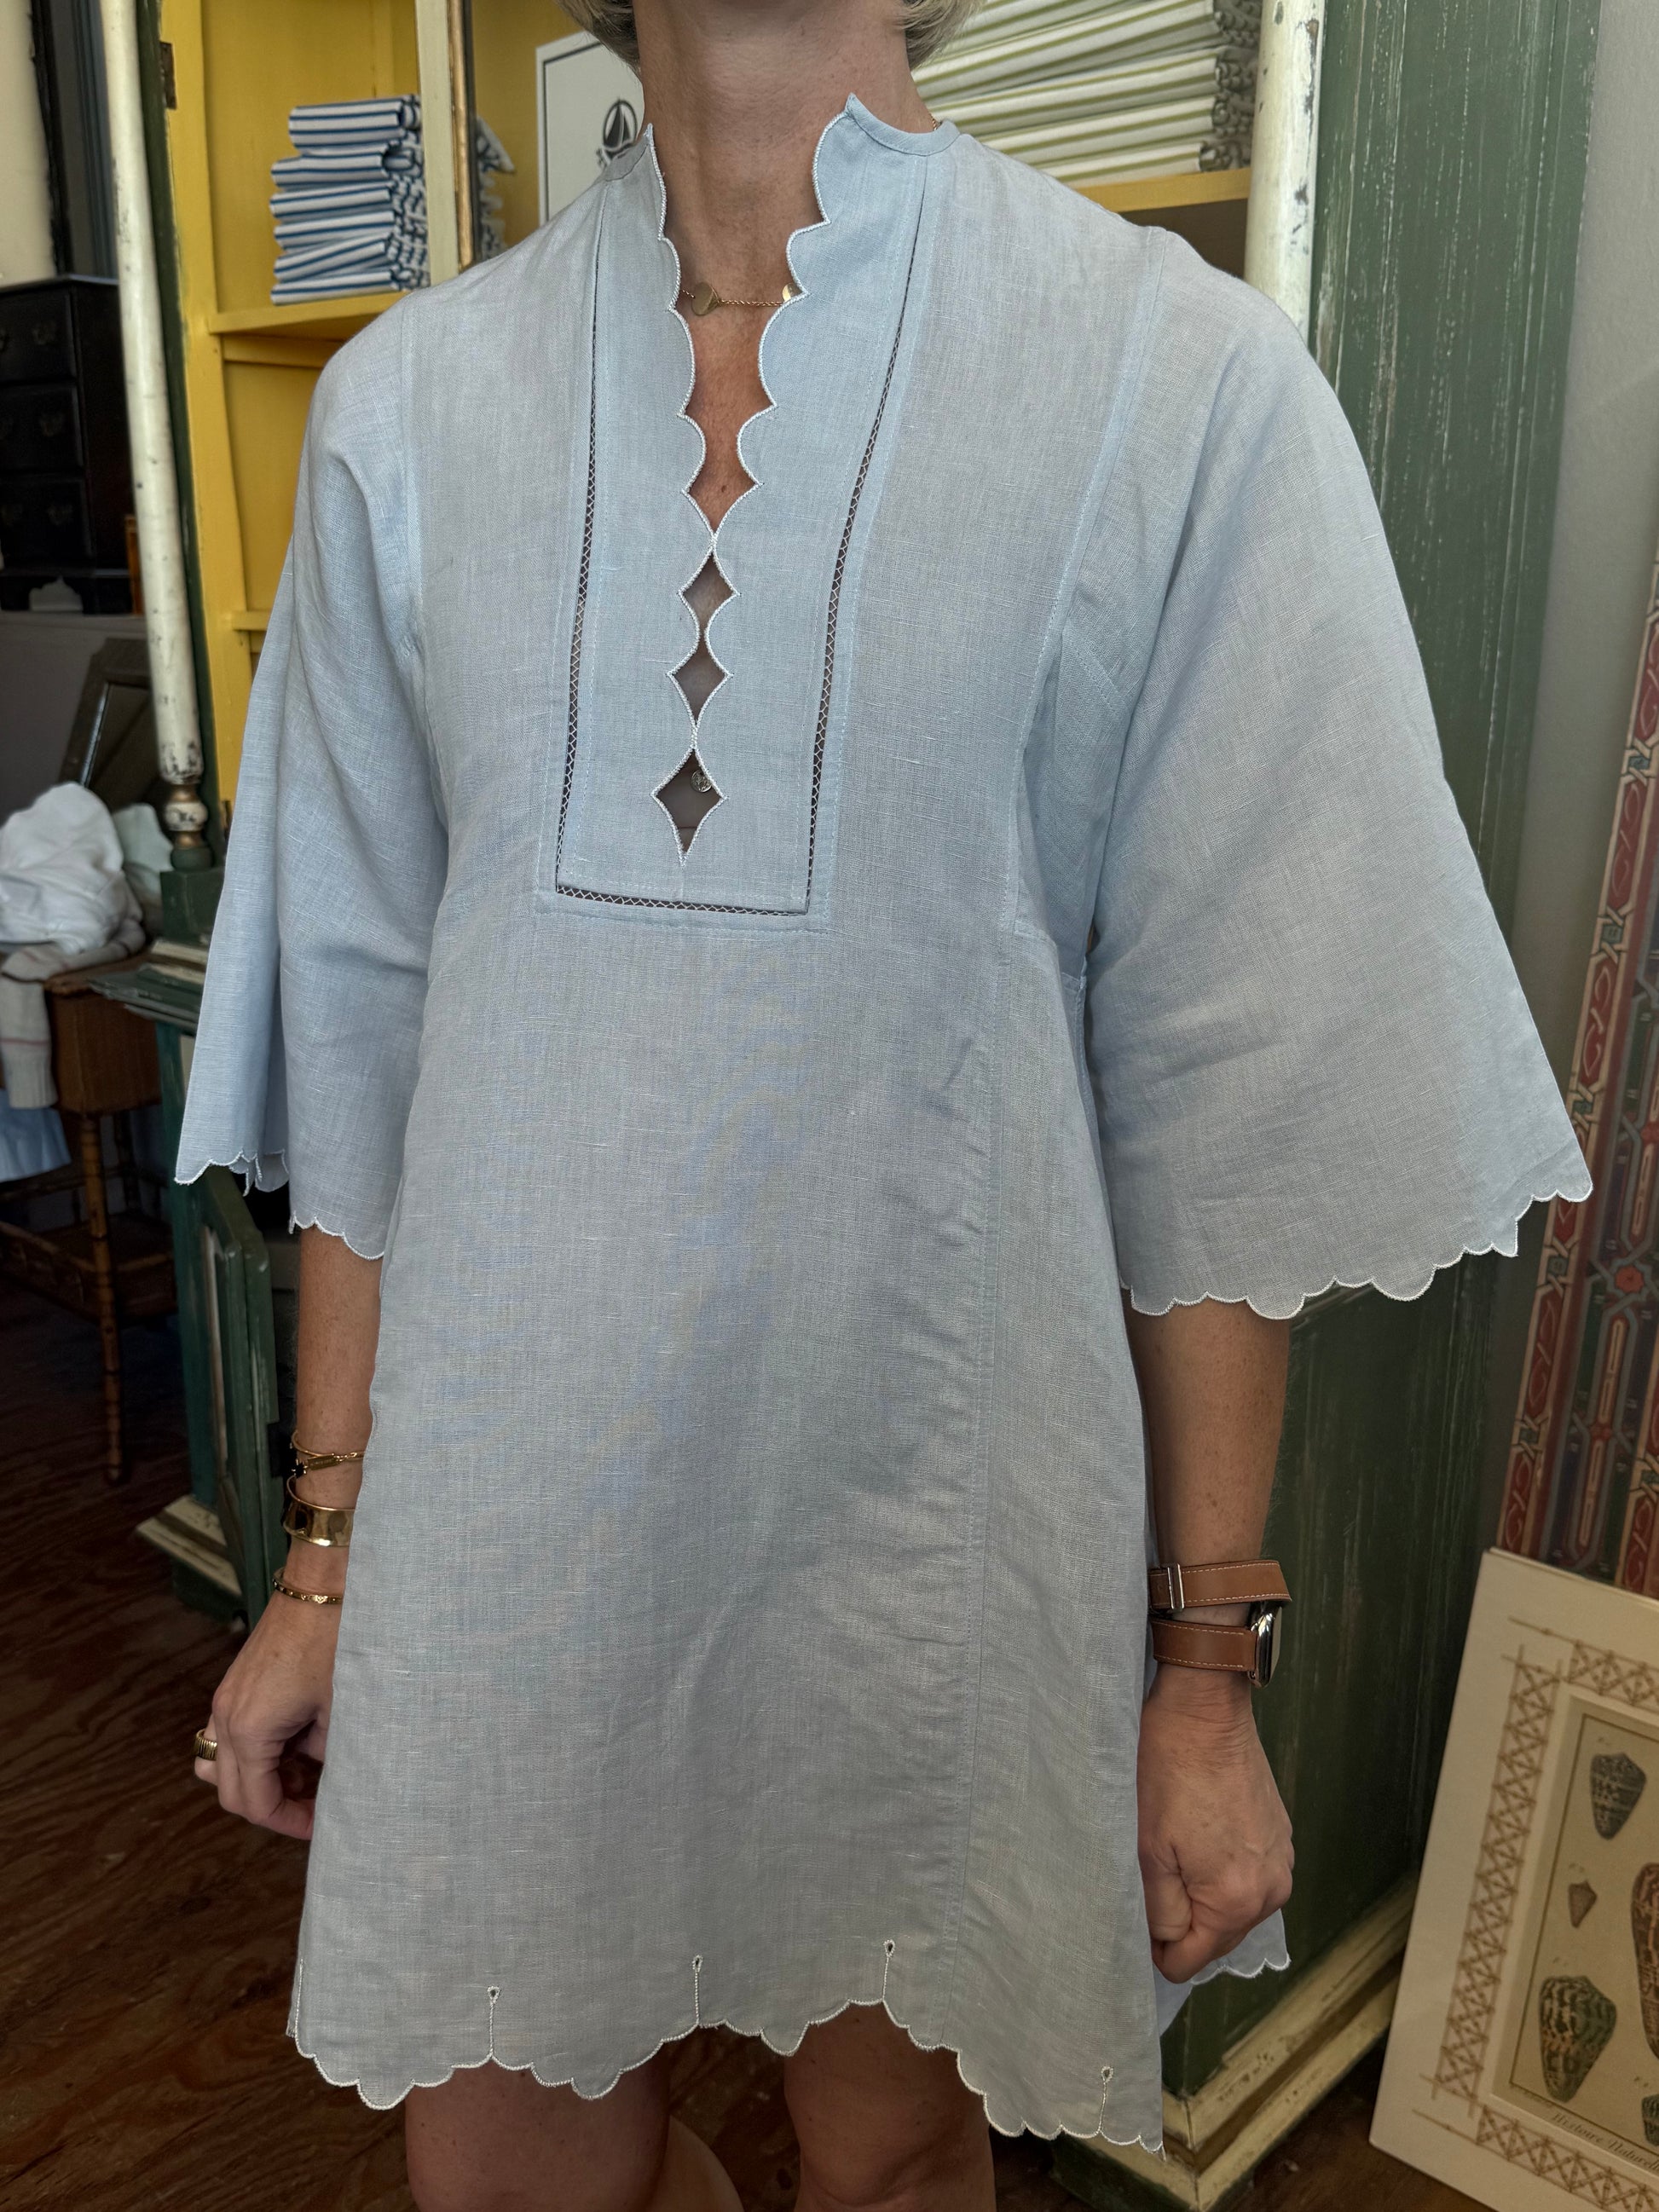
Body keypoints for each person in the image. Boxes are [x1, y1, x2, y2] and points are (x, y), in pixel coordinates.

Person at [176, 0, 1589, 2203]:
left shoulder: (1168, 382)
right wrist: (329, 1553)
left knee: (896, 2152)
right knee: (507, 2167)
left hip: (929, 1525)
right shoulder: (406, 412)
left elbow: (1218, 1088)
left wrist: (1202, 1669)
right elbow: (364, 1040)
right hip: (511, 1527)